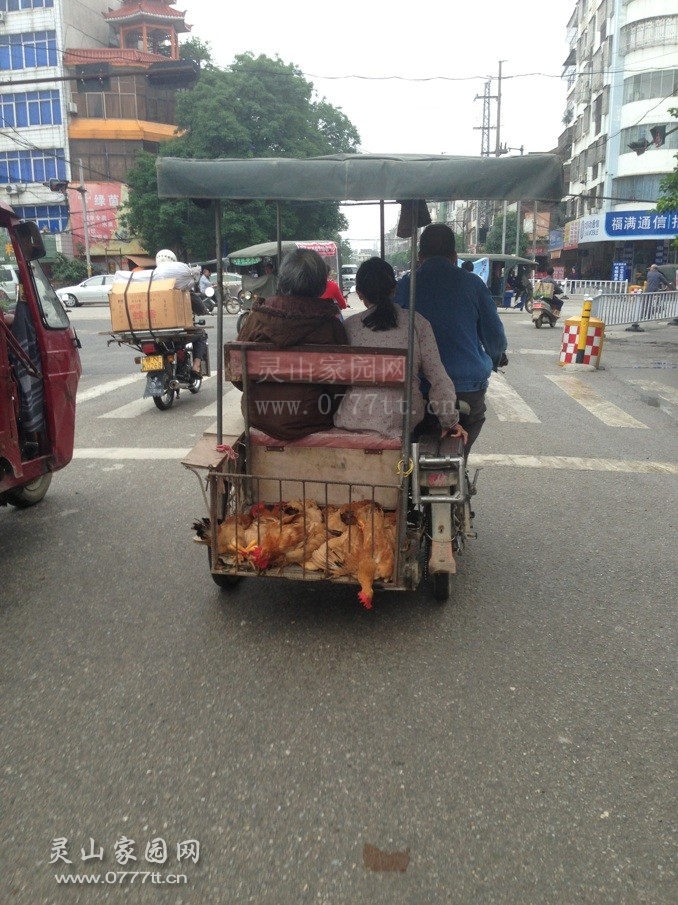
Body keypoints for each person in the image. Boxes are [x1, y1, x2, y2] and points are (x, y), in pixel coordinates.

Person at [395, 223, 507, 455]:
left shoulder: (406, 285)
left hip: (418, 390)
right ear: (455, 257)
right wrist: (495, 359)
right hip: (467, 389)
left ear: (419, 257)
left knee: (411, 443)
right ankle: (459, 466)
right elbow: (495, 338)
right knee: (474, 420)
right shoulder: (473, 284)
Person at [334, 258, 468, 445]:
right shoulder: (417, 323)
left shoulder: (349, 326)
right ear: (394, 289)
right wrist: (450, 421)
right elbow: (438, 378)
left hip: (351, 418)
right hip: (402, 421)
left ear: (359, 293)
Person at [236, 248, 348, 439]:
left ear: (283, 279)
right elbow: (340, 383)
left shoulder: (258, 316)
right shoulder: (330, 324)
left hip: (258, 414)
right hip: (313, 417)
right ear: (322, 284)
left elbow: (237, 374)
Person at [155, 249, 207, 382]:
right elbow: (200, 308)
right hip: (175, 333)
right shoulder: (182, 288)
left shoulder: (151, 282)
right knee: (201, 335)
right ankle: (196, 367)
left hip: (152, 333)